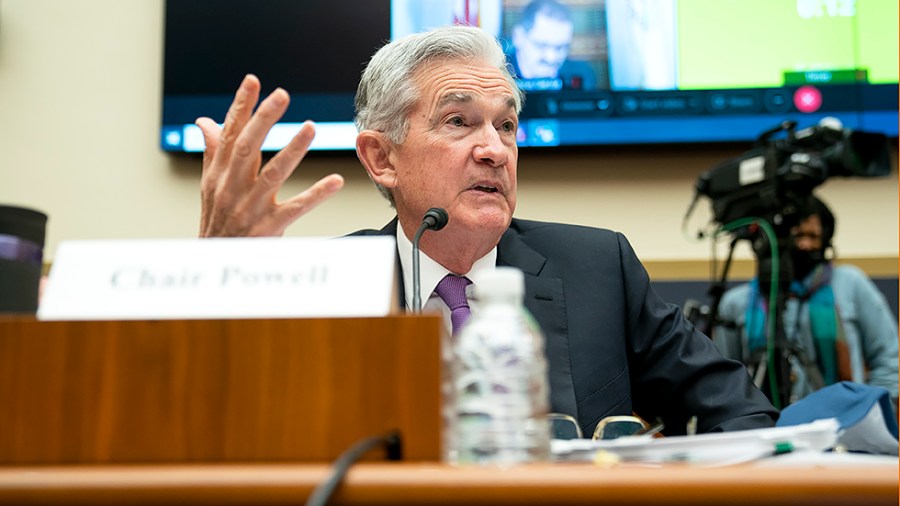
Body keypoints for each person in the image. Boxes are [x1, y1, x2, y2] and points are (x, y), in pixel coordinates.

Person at [195, 25, 777, 437]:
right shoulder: (329, 287)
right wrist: (223, 269)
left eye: (506, 125)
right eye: (459, 122)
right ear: (381, 158)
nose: (494, 150)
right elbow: (221, 424)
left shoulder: (600, 266)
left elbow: (745, 416)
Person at [715, 195, 899, 406]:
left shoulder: (850, 283)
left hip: (843, 427)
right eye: (798, 235)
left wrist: (870, 412)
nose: (805, 244)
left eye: (813, 236)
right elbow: (726, 379)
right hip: (764, 428)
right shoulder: (736, 303)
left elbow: (889, 358)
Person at [507, 0, 596, 90]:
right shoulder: (497, 73)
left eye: (561, 48)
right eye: (541, 45)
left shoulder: (582, 74)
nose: (551, 58)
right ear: (518, 36)